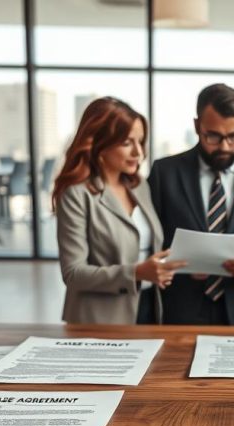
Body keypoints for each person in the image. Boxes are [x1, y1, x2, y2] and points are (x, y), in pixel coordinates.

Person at [149, 83, 234, 325]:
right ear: (197, 126)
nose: (224, 146)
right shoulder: (165, 172)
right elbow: (151, 238)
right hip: (181, 307)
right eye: (213, 136)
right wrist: (175, 264)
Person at [53, 97, 185, 325]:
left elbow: (148, 247)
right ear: (99, 144)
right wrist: (136, 272)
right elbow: (73, 274)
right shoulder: (77, 194)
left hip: (148, 309)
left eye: (140, 141)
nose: (138, 152)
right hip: (99, 320)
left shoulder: (139, 186)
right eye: (126, 143)